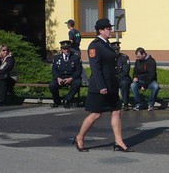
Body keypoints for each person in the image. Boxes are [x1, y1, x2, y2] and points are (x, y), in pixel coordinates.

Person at [74, 18, 132, 152]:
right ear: (100, 31)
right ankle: (80, 137)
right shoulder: (94, 45)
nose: (110, 31)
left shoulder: (107, 44)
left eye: (110, 28)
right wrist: (101, 86)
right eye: (108, 29)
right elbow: (95, 68)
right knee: (95, 114)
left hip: (111, 84)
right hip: (100, 86)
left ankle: (118, 141)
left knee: (116, 111)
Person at [49, 40, 83, 108]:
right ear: (61, 49)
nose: (66, 50)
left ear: (70, 48)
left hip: (72, 77)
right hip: (60, 78)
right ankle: (57, 101)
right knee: (52, 85)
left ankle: (67, 100)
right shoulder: (57, 58)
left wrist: (71, 78)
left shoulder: (75, 57)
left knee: (77, 83)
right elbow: (54, 70)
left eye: (67, 48)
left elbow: (79, 71)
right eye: (64, 49)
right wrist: (58, 78)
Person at [66, 19, 88, 84]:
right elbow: (78, 39)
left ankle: (84, 80)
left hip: (73, 50)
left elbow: (71, 41)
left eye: (67, 24)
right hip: (78, 49)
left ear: (69, 25)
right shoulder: (77, 32)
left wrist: (66, 44)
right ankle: (82, 79)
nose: (67, 25)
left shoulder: (71, 32)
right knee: (77, 64)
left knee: (74, 64)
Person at [111, 41, 132, 111]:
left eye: (117, 50)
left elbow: (125, 71)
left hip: (122, 77)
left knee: (124, 83)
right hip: (113, 77)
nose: (116, 51)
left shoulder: (124, 57)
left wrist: (117, 78)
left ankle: (125, 103)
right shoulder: (109, 58)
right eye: (115, 50)